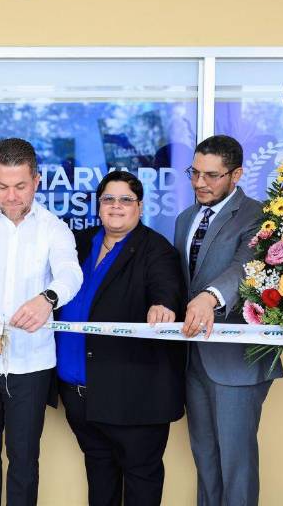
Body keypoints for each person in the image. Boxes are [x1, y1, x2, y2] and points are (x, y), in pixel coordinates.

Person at [0, 137, 83, 506]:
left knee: (25, 461)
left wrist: (48, 298)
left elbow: (71, 274)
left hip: (32, 364)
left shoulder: (55, 228)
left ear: (36, 180)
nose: (11, 196)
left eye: (20, 186)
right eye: (2, 186)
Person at [56, 170, 185, 506]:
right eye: (108, 199)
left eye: (126, 199)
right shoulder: (80, 243)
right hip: (81, 398)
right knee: (100, 480)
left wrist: (163, 306)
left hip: (132, 400)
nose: (116, 206)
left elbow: (166, 288)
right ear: (98, 206)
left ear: (140, 206)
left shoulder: (156, 249)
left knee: (141, 483)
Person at [173, 135, 283, 506]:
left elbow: (245, 268)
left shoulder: (258, 216)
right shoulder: (185, 219)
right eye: (194, 173)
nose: (199, 183)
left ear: (236, 175)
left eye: (211, 175)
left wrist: (210, 297)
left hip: (237, 362)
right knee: (205, 460)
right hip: (193, 358)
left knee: (236, 464)